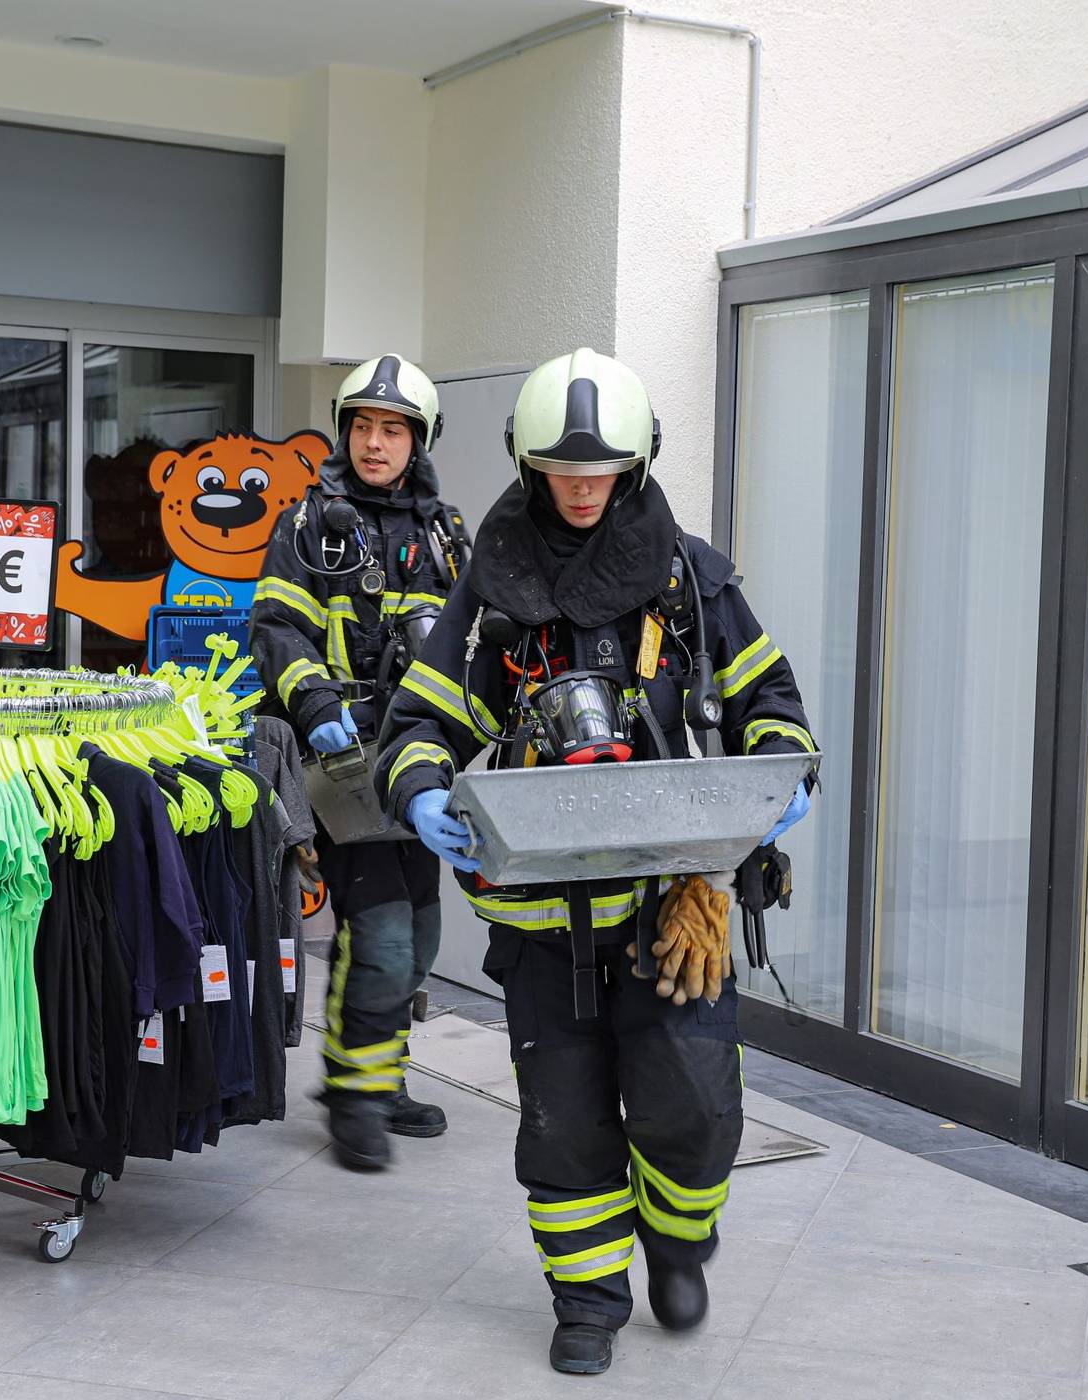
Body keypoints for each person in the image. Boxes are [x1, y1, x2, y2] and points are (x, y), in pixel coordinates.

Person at [372, 348, 815, 1375]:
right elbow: (423, 718)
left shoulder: (691, 578)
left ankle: (682, 1235)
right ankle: (587, 1301)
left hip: (675, 911)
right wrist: (425, 789)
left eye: (602, 468)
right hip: (541, 924)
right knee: (565, 1127)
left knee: (694, 1105)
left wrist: (779, 780)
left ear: (637, 464)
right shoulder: (496, 587)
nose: (582, 484)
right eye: (563, 468)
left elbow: (770, 704)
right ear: (528, 465)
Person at [249, 354, 470, 1171]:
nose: (376, 443)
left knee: (418, 933)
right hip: (343, 765)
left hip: (424, 763)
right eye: (365, 426)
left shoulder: (447, 533)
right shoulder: (309, 524)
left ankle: (380, 1073)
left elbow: (475, 640)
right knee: (376, 933)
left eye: (394, 429)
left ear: (420, 439)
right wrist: (316, 707)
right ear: (346, 432)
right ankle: (352, 1095)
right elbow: (277, 630)